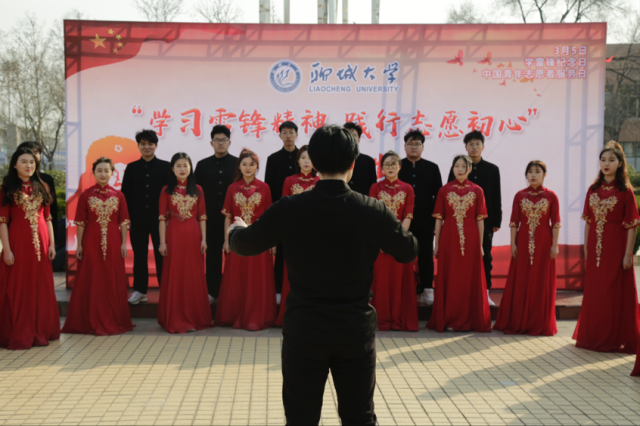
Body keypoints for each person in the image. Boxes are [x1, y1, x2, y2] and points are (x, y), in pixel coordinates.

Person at [226, 125, 418, 425]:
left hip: (305, 330)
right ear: (353, 163)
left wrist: (236, 229)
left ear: (313, 162)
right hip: (354, 331)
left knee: (301, 418)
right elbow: (409, 250)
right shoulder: (373, 210)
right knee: (359, 418)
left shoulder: (290, 207)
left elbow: (245, 244)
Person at [573, 141, 640, 353]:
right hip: (595, 247)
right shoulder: (593, 190)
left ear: (620, 163)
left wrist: (628, 254)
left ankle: (614, 336)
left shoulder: (625, 191)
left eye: (611, 160)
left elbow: (632, 225)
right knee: (596, 291)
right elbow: (588, 222)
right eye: (603, 160)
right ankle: (593, 335)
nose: (606, 163)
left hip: (616, 245)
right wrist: (586, 247)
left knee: (613, 291)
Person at [61, 157, 134, 336]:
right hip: (91, 240)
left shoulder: (119, 195)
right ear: (93, 173)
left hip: (114, 240)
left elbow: (124, 222)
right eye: (99, 170)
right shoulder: (86, 195)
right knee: (91, 276)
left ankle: (114, 317)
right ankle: (90, 317)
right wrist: (79, 245)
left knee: (111, 276)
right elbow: (80, 222)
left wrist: (123, 243)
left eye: (106, 170)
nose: (103, 174)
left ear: (112, 173)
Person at [0, 147, 59, 350]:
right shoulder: (7, 189)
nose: (29, 165)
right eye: (24, 161)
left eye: (32, 162)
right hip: (18, 242)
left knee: (41, 286)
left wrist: (52, 244)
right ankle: (20, 331)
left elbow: (48, 218)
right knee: (20, 286)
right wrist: (7, 250)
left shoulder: (43, 186)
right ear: (14, 165)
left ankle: (41, 330)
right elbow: (2, 222)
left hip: (42, 243)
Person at [493, 160, 560, 336]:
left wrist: (555, 245)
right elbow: (514, 222)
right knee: (521, 278)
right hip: (522, 242)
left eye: (537, 171)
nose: (533, 175)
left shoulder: (551, 196)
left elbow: (556, 223)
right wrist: (513, 243)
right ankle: (518, 320)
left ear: (544, 174)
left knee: (541, 279)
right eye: (530, 171)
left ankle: (538, 322)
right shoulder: (520, 196)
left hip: (544, 242)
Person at [215, 149, 277, 331]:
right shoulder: (232, 188)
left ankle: (256, 316)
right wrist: (227, 239)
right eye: (244, 164)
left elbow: (269, 218)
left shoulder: (265, 188)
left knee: (258, 278)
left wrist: (272, 241)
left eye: (252, 164)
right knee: (237, 278)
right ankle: (234, 314)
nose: (248, 168)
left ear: (257, 167)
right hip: (238, 238)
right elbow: (228, 215)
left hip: (260, 238)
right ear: (239, 167)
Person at [429, 154, 491, 333]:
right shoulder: (444, 190)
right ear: (452, 168)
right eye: (457, 166)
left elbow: (480, 220)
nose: (460, 169)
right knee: (451, 276)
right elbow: (439, 219)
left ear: (470, 169)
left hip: (471, 238)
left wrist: (480, 245)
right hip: (448, 237)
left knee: (469, 277)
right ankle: (449, 318)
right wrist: (437, 244)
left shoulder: (477, 191)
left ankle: (471, 319)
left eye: (464, 166)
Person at [157, 153, 212, 333]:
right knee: (176, 274)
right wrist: (162, 243)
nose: (182, 169)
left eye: (185, 165)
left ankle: (193, 317)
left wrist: (204, 239)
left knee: (192, 275)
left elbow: (202, 217)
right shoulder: (166, 190)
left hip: (193, 236)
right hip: (173, 236)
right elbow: (162, 218)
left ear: (190, 168)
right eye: (178, 166)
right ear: (172, 169)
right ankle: (175, 317)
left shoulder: (198, 189)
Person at [448, 130, 501, 305]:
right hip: (460, 221)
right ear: (466, 147)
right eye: (471, 144)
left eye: (477, 144)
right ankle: (463, 291)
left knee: (485, 255)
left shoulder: (492, 169)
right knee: (460, 256)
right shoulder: (458, 168)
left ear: (483, 147)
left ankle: (485, 292)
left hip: (485, 221)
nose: (474, 147)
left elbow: (496, 196)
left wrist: (496, 220)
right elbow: (449, 193)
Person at [369, 151, 418, 331]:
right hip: (380, 243)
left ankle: (398, 317)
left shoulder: (407, 188)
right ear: (382, 168)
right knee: (381, 280)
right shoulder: (375, 188)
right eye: (387, 164)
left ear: (400, 166)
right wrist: (382, 240)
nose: (390, 167)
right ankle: (380, 318)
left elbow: (408, 215)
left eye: (393, 164)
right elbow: (373, 216)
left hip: (400, 242)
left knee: (398, 281)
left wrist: (399, 240)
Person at [122, 129, 171, 305]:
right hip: (137, 220)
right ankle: (140, 291)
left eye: (150, 144)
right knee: (140, 256)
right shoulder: (131, 167)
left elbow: (171, 194)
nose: (147, 147)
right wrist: (126, 219)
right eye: (143, 144)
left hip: (161, 221)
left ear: (156, 145)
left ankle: (165, 290)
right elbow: (125, 195)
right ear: (138, 146)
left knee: (162, 256)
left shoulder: (166, 167)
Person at [397, 129, 442, 305]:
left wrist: (436, 221)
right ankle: (404, 289)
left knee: (425, 255)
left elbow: (439, 197)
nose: (413, 147)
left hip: (425, 220)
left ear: (423, 147)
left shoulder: (432, 168)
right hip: (401, 221)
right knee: (402, 254)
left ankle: (427, 289)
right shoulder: (397, 166)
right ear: (404, 146)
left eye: (417, 144)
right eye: (410, 144)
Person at [275, 145, 319, 326]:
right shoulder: (289, 181)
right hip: (294, 235)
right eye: (303, 158)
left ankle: (313, 316)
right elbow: (284, 209)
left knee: (315, 275)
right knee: (293, 274)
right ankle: (291, 316)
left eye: (310, 158)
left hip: (316, 235)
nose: (306, 161)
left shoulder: (320, 181)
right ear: (298, 161)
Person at [194, 124, 238, 304]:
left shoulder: (238, 164)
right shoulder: (202, 165)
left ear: (229, 142)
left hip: (233, 220)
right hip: (209, 219)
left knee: (233, 257)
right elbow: (195, 193)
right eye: (217, 140)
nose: (221, 143)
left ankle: (232, 293)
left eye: (224, 140)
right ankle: (213, 292)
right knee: (212, 257)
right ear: (211, 143)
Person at [265, 121, 299, 301]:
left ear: (296, 135)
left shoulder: (304, 158)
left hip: (301, 215)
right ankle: (278, 290)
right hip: (279, 213)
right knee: (279, 252)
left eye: (291, 132)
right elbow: (269, 189)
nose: (288, 136)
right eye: (284, 132)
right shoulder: (273, 159)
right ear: (279, 136)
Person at [17, 142, 58, 223]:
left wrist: (54, 229)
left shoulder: (47, 179)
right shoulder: (11, 180)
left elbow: (52, 208)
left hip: (42, 226)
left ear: (40, 156)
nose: (33, 155)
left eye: (36, 152)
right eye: (29, 151)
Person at [344, 121, 377, 196]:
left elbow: (372, 187)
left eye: (354, 135)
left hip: (363, 201)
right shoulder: (336, 160)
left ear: (359, 139)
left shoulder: (368, 161)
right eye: (347, 135)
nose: (351, 138)